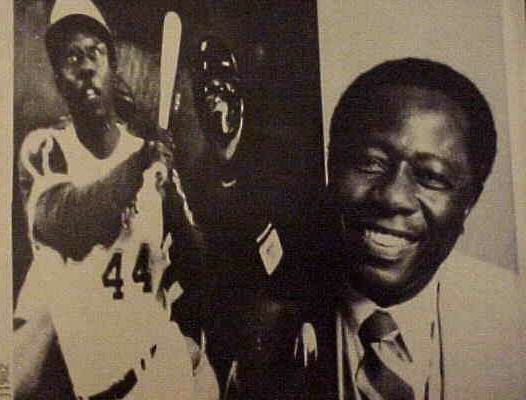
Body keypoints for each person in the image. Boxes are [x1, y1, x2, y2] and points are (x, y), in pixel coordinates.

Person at [13, 0, 217, 400]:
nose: (86, 66)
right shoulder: (46, 149)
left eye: (95, 53)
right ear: (58, 80)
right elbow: (65, 223)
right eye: (71, 58)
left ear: (112, 65)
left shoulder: (145, 153)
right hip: (107, 390)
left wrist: (167, 191)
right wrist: (140, 166)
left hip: (167, 367)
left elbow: (197, 261)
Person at [304, 58, 523, 399]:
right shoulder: (257, 318)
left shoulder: (514, 322)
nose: (393, 197)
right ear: (332, 166)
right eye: (370, 162)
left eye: (431, 176)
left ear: (469, 202)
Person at [177, 36, 314, 399]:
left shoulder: (278, 159)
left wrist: (307, 315)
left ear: (240, 94)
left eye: (224, 87)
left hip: (282, 320)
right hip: (227, 328)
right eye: (207, 91)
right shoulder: (194, 178)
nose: (216, 98)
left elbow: (309, 243)